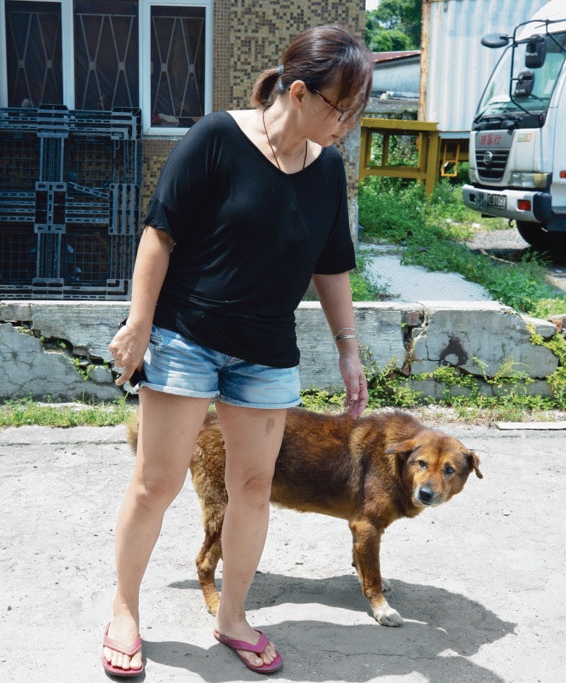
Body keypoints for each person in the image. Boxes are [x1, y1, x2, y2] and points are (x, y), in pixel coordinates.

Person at [102, 25, 373, 678]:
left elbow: (331, 265)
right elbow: (159, 234)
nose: (348, 125)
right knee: (157, 482)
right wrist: (139, 323)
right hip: (186, 339)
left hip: (265, 353)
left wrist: (347, 347)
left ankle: (233, 616)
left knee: (252, 486)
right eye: (343, 109)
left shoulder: (326, 169)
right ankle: (124, 608)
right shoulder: (218, 139)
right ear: (301, 93)